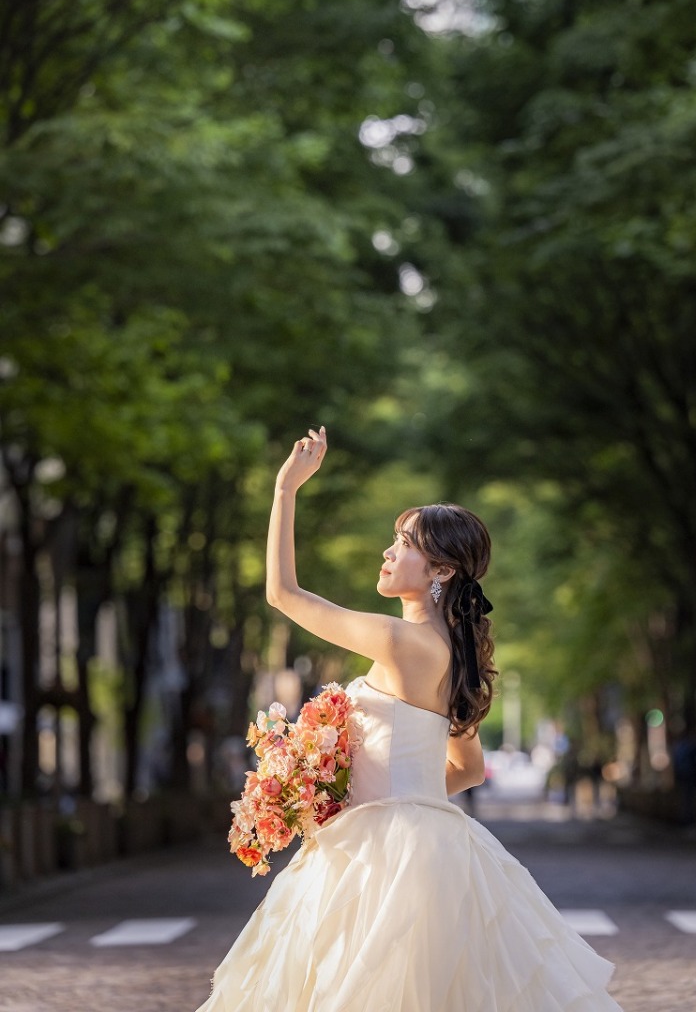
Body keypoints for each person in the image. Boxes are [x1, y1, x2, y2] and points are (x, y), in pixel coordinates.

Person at [197, 427, 623, 1011]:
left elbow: (283, 594)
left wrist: (285, 490)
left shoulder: (400, 641)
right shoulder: (456, 657)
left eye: (403, 544)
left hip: (379, 851)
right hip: (431, 846)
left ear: (440, 570)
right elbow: (468, 768)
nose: (388, 552)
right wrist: (395, 794)